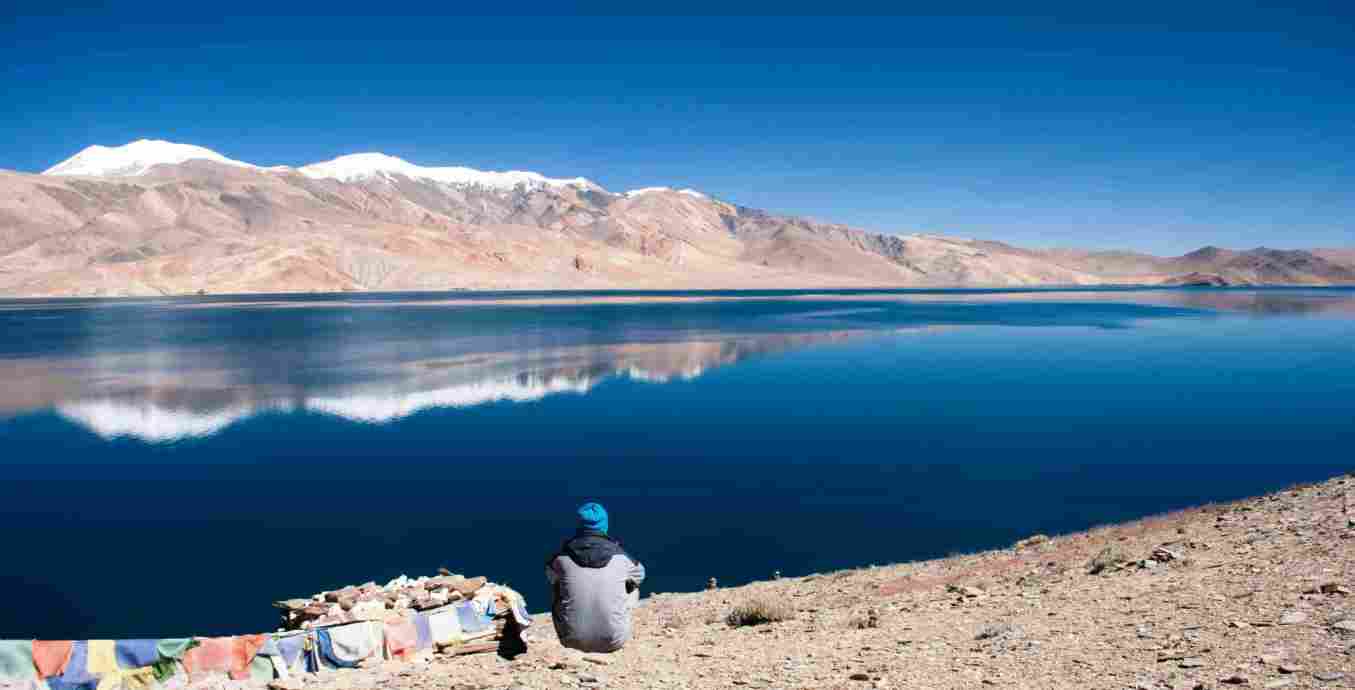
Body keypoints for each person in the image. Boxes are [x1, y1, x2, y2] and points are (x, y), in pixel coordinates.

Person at [545, 502, 646, 653]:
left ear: (580, 526)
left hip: (570, 639)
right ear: (604, 525)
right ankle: (613, 623)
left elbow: (550, 576)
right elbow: (640, 574)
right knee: (632, 587)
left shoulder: (560, 558)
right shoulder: (621, 557)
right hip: (614, 640)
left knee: (557, 585)